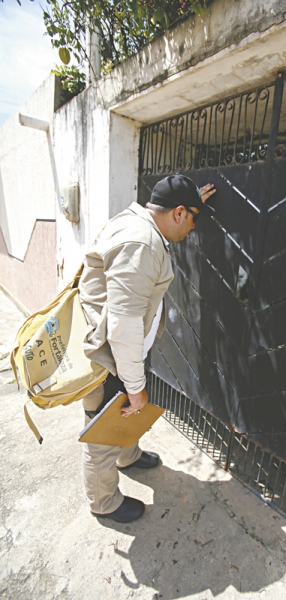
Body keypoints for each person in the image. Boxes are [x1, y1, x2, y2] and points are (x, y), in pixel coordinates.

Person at [78, 174, 216, 523]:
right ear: (179, 213)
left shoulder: (135, 220)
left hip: (120, 350)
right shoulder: (143, 244)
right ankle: (104, 501)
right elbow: (123, 326)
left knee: (124, 412)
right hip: (108, 353)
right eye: (192, 219)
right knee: (102, 428)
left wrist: (192, 198)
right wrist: (136, 389)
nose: (192, 229)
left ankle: (128, 456)